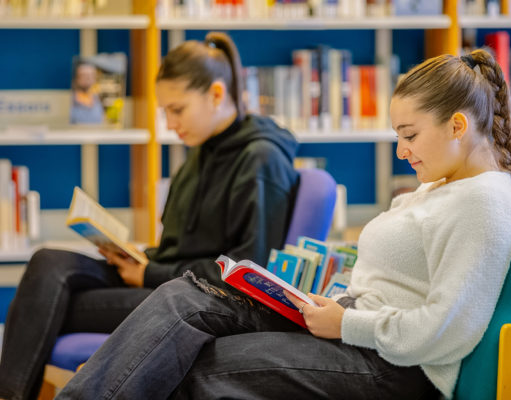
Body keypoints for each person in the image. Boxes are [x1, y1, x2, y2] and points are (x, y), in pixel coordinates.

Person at [56, 48, 511, 400]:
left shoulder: (483, 203)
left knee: (200, 368)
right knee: (184, 298)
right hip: (351, 329)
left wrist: (347, 321)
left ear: (458, 126)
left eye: (410, 135)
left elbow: (445, 331)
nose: (402, 150)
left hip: (390, 367)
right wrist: (335, 305)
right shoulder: (442, 187)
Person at [0, 32, 299, 400]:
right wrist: (133, 255)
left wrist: (150, 272)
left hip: (195, 295)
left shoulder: (260, 160)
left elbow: (246, 271)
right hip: (160, 276)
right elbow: (180, 245)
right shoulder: (201, 152)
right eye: (165, 112)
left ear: (217, 95)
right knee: (48, 263)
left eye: (178, 109)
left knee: (40, 303)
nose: (171, 123)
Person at [69, 60, 105, 124]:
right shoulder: (70, 101)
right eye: (84, 75)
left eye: (91, 75)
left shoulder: (97, 100)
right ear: (76, 78)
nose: (88, 78)